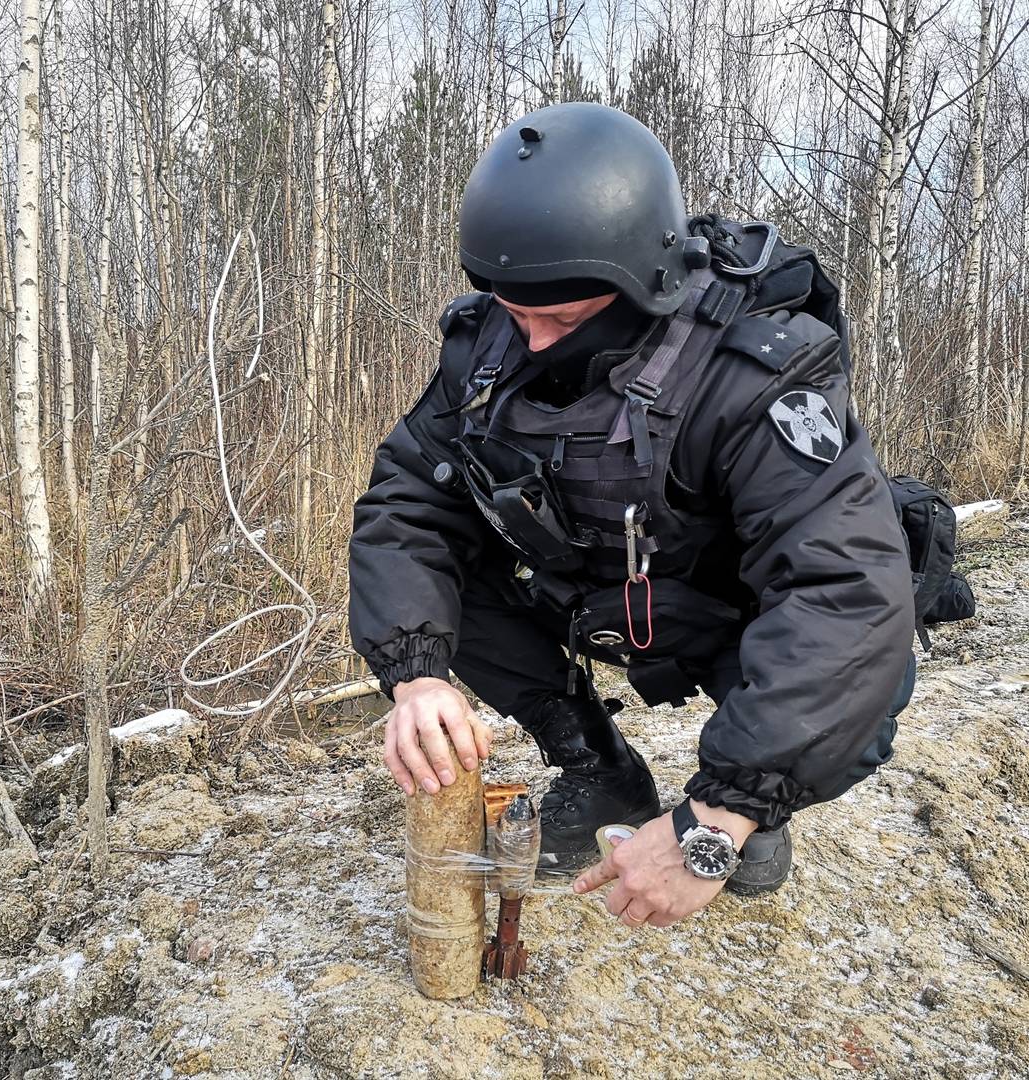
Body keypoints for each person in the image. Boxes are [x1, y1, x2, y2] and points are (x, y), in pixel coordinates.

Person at [348, 102, 916, 929]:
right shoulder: (489, 352)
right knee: (440, 584)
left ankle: (752, 807)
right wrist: (417, 674)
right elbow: (409, 500)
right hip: (587, 595)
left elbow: (847, 595)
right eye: (516, 313)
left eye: (565, 319)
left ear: (638, 287)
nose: (534, 344)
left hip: (724, 612)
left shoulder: (751, 373)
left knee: (869, 682)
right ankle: (597, 766)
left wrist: (716, 821)